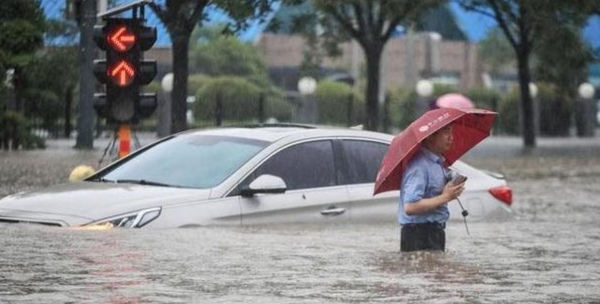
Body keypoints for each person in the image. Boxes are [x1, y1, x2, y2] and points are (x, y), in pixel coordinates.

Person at [399, 124, 465, 252]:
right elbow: (410, 207)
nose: (451, 138)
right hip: (418, 234)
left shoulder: (438, 164)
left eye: (451, 132)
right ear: (430, 137)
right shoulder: (419, 166)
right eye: (446, 132)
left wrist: (451, 187)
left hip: (435, 232)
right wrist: (445, 197)